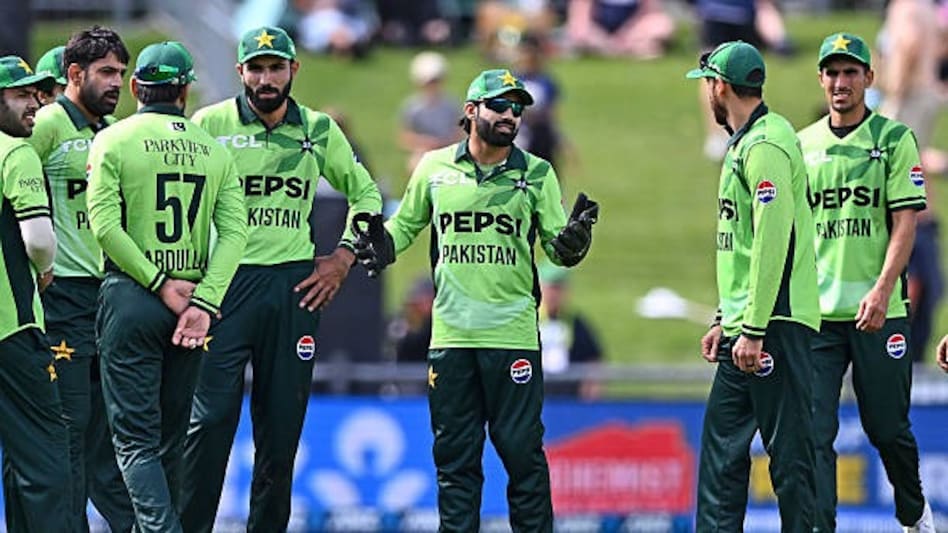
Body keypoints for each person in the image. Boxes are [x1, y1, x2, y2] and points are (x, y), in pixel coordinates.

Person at [353, 68, 599, 532]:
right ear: (471, 111)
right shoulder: (433, 167)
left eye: (518, 107)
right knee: (455, 461)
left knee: (523, 458)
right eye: (500, 105)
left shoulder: (537, 173)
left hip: (513, 337)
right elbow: (404, 226)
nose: (511, 115)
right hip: (452, 338)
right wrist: (383, 244)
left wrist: (572, 241)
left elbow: (555, 245)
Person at [179, 26, 382, 532]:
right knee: (208, 425)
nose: (266, 78)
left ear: (294, 69)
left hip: (293, 290)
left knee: (281, 431)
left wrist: (343, 258)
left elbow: (368, 196)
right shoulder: (209, 123)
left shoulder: (317, 129)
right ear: (240, 72)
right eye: (256, 68)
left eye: (276, 67)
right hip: (224, 287)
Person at [86, 41, 248, 531]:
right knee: (170, 441)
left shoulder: (113, 139)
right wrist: (203, 301)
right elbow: (237, 233)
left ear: (136, 87)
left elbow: (104, 226)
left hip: (133, 295)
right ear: (185, 91)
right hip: (193, 304)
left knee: (134, 441)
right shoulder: (212, 150)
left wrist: (157, 281)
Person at [798, 32, 935, 532]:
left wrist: (880, 290)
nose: (840, 82)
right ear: (821, 79)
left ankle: (913, 514)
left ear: (868, 79)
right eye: (832, 72)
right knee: (813, 433)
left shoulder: (894, 139)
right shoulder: (801, 145)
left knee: (887, 428)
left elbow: (906, 222)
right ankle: (821, 525)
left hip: (880, 311)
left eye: (850, 72)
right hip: (816, 317)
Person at [685, 41, 820, 531]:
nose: (706, 98)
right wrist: (727, 317)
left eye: (706, 86)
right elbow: (740, 247)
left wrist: (755, 327)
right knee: (721, 456)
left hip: (775, 325)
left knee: (790, 462)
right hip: (748, 326)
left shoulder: (765, 144)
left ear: (720, 86)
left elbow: (773, 237)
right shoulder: (746, 141)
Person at [26, 25, 135, 532]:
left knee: (111, 436)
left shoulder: (110, 133)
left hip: (110, 294)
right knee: (68, 429)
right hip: (63, 293)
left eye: (122, 72)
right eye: (107, 72)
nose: (118, 82)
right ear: (74, 74)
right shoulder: (49, 123)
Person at [0, 54, 71, 532]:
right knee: (45, 458)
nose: (34, 105)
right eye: (22, 95)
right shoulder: (15, 152)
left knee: (17, 457)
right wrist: (44, 270)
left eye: (37, 94)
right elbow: (40, 240)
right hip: (13, 329)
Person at [537, 261, 603, 399]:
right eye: (551, 288)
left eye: (559, 288)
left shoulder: (575, 321)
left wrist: (591, 389)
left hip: (568, 395)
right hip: (537, 391)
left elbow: (593, 358)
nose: (554, 294)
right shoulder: (530, 319)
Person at [399, 51, 463, 174]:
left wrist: (445, 142)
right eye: (429, 82)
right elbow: (404, 136)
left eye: (436, 81)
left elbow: (460, 131)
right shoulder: (412, 107)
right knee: (415, 165)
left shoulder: (451, 104)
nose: (432, 86)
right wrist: (425, 142)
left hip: (449, 148)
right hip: (424, 150)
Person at [566, 0, 676, 59]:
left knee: (663, 25)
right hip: (600, 33)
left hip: (632, 32)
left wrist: (627, 34)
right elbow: (580, 17)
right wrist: (606, 40)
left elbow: (649, 11)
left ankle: (622, 51)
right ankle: (629, 52)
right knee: (580, 33)